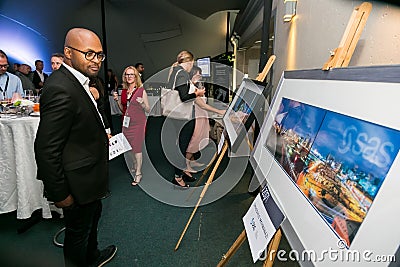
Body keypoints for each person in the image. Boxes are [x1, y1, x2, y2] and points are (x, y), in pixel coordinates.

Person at [34, 28, 117, 267]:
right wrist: (60, 195)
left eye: (99, 55)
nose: (96, 61)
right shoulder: (61, 87)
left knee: (92, 220)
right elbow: (46, 149)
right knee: (78, 233)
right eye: (89, 54)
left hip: (89, 177)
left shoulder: (79, 81)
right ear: (68, 53)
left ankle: (93, 257)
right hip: (76, 184)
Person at [165, 50, 205, 187]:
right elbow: (184, 97)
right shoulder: (181, 73)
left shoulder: (174, 72)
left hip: (174, 116)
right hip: (182, 118)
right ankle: (178, 177)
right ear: (190, 62)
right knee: (182, 147)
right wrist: (197, 93)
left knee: (180, 146)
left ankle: (182, 172)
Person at [185, 66, 225, 176]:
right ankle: (186, 166)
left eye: (200, 74)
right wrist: (218, 111)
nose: (200, 76)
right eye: (197, 74)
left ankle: (192, 161)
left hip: (202, 117)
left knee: (198, 140)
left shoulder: (197, 86)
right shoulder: (192, 88)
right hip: (197, 117)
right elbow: (202, 105)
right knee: (193, 142)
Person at [114, 66, 149, 185]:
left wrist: (143, 103)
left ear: (136, 77)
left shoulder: (141, 90)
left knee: (137, 147)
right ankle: (135, 163)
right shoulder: (123, 91)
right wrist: (117, 101)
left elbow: (148, 109)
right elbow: (122, 109)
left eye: (131, 74)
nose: (129, 77)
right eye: (127, 75)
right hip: (126, 123)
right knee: (128, 148)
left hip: (138, 123)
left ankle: (138, 173)